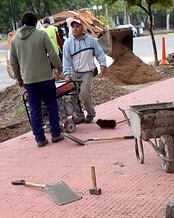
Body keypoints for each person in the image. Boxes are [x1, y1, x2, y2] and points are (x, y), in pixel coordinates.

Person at [10, 11, 65, 147]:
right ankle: (56, 134)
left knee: (35, 110)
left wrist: (19, 78)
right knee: (51, 105)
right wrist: (59, 69)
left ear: (22, 23)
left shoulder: (15, 40)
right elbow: (52, 54)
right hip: (46, 78)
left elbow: (14, 63)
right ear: (35, 23)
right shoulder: (41, 34)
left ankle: (40, 139)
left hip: (29, 80)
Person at [62, 17, 107, 124]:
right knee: (73, 95)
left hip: (87, 71)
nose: (75, 29)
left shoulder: (91, 41)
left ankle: (91, 113)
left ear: (82, 27)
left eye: (77, 26)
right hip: (74, 72)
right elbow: (66, 60)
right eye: (73, 27)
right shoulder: (68, 43)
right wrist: (67, 74)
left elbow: (99, 53)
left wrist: (103, 64)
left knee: (84, 93)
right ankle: (79, 115)